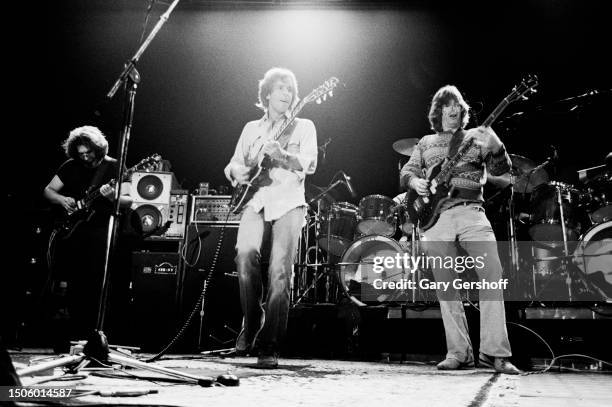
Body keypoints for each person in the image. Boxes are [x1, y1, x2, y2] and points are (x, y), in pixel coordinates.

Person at [400, 85, 521, 374]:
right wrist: (414, 183)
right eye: (447, 105)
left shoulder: (476, 137)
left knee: (492, 274)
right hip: (436, 219)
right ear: (438, 111)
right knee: (445, 284)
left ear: (463, 111)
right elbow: (408, 171)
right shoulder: (426, 142)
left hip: (472, 213)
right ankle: (458, 353)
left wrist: (496, 146)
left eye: (458, 105)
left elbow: (502, 170)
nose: (453, 109)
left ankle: (495, 354)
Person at [224, 67, 318, 368]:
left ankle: (270, 343)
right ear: (267, 94)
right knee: (244, 256)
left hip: (289, 201)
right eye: (279, 88)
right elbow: (235, 164)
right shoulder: (251, 128)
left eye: (289, 89)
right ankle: (252, 323)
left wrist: (283, 156)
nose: (286, 93)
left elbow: (309, 163)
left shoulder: (303, 125)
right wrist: (238, 172)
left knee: (279, 272)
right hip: (255, 199)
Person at [43, 125, 133, 344]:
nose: (85, 157)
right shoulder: (71, 166)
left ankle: (98, 335)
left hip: (102, 232)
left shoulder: (114, 167)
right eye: (81, 153)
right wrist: (62, 200)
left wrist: (112, 196)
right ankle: (73, 334)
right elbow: (48, 190)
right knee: (73, 284)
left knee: (98, 284)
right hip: (74, 233)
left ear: (98, 148)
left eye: (89, 153)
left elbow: (129, 201)